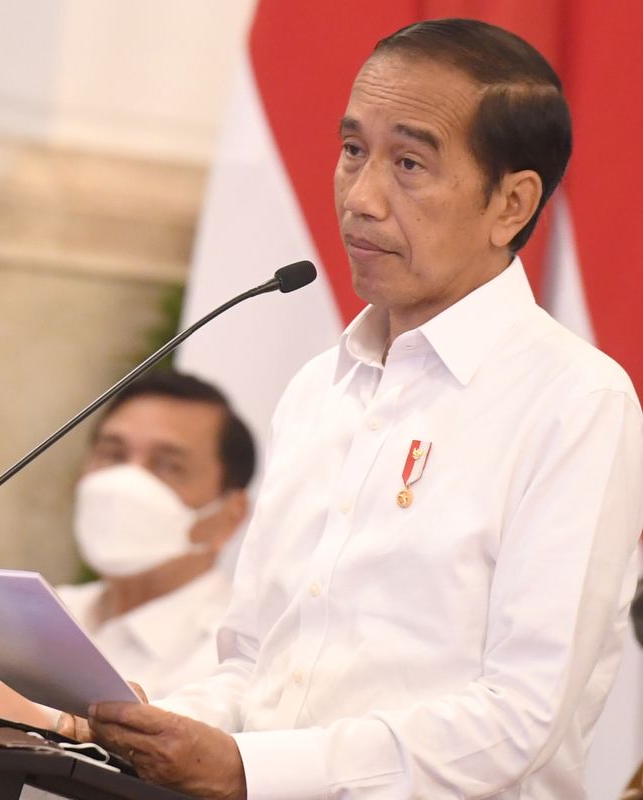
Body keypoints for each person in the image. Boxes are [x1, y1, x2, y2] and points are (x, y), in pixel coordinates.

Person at [63, 18, 643, 799]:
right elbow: (255, 667)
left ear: (511, 204)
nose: (361, 197)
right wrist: (154, 724)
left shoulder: (577, 402)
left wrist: (251, 770)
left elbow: (521, 719)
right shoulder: (318, 389)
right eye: (351, 151)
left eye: (409, 163)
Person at [0, 370, 254, 727]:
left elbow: (167, 772)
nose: (125, 485)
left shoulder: (237, 655)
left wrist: (7, 713)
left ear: (229, 516)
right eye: (112, 455)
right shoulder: (40, 609)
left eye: (168, 465)